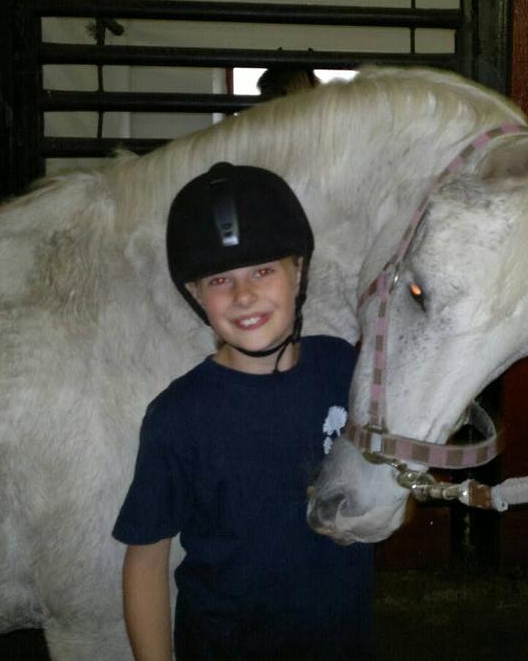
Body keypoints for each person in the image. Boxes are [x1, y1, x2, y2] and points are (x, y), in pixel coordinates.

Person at [113, 162, 373, 660]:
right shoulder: (177, 417)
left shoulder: (343, 367)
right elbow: (145, 561)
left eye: (263, 270)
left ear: (298, 271)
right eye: (218, 280)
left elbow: (384, 489)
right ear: (195, 295)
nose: (244, 295)